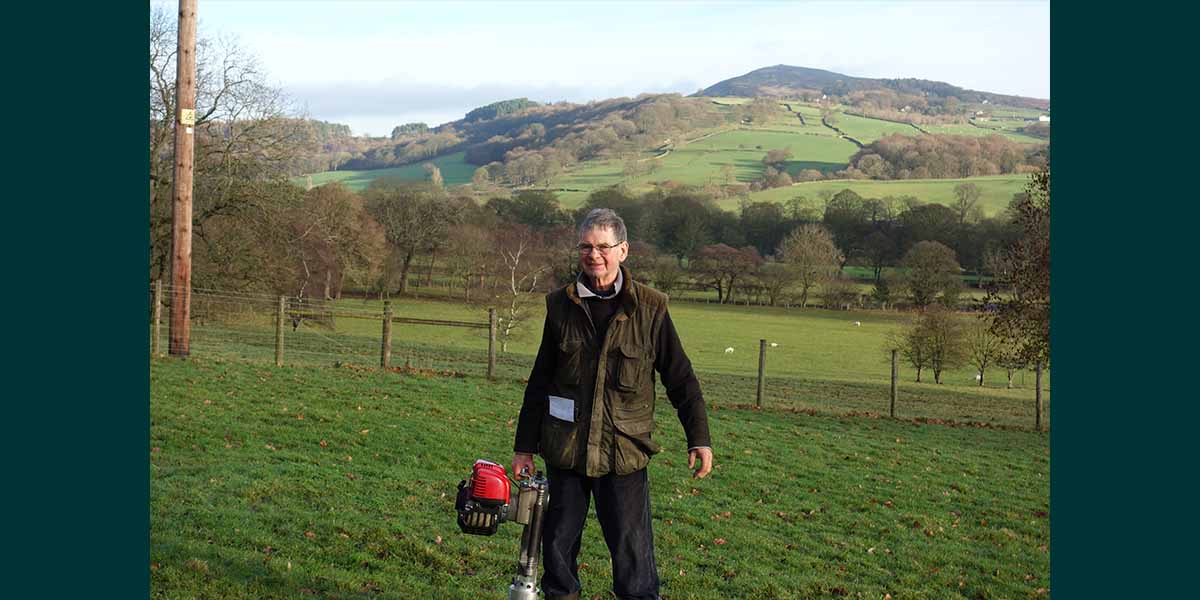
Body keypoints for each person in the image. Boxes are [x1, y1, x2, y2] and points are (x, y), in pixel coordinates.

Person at [512, 208, 713, 600]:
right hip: (565, 451)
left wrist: (699, 438)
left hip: (624, 454)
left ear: (623, 250)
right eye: (586, 246)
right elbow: (539, 382)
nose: (594, 255)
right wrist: (524, 447)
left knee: (634, 567)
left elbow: (681, 379)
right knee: (556, 562)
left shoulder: (652, 308)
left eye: (603, 246)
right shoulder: (559, 306)